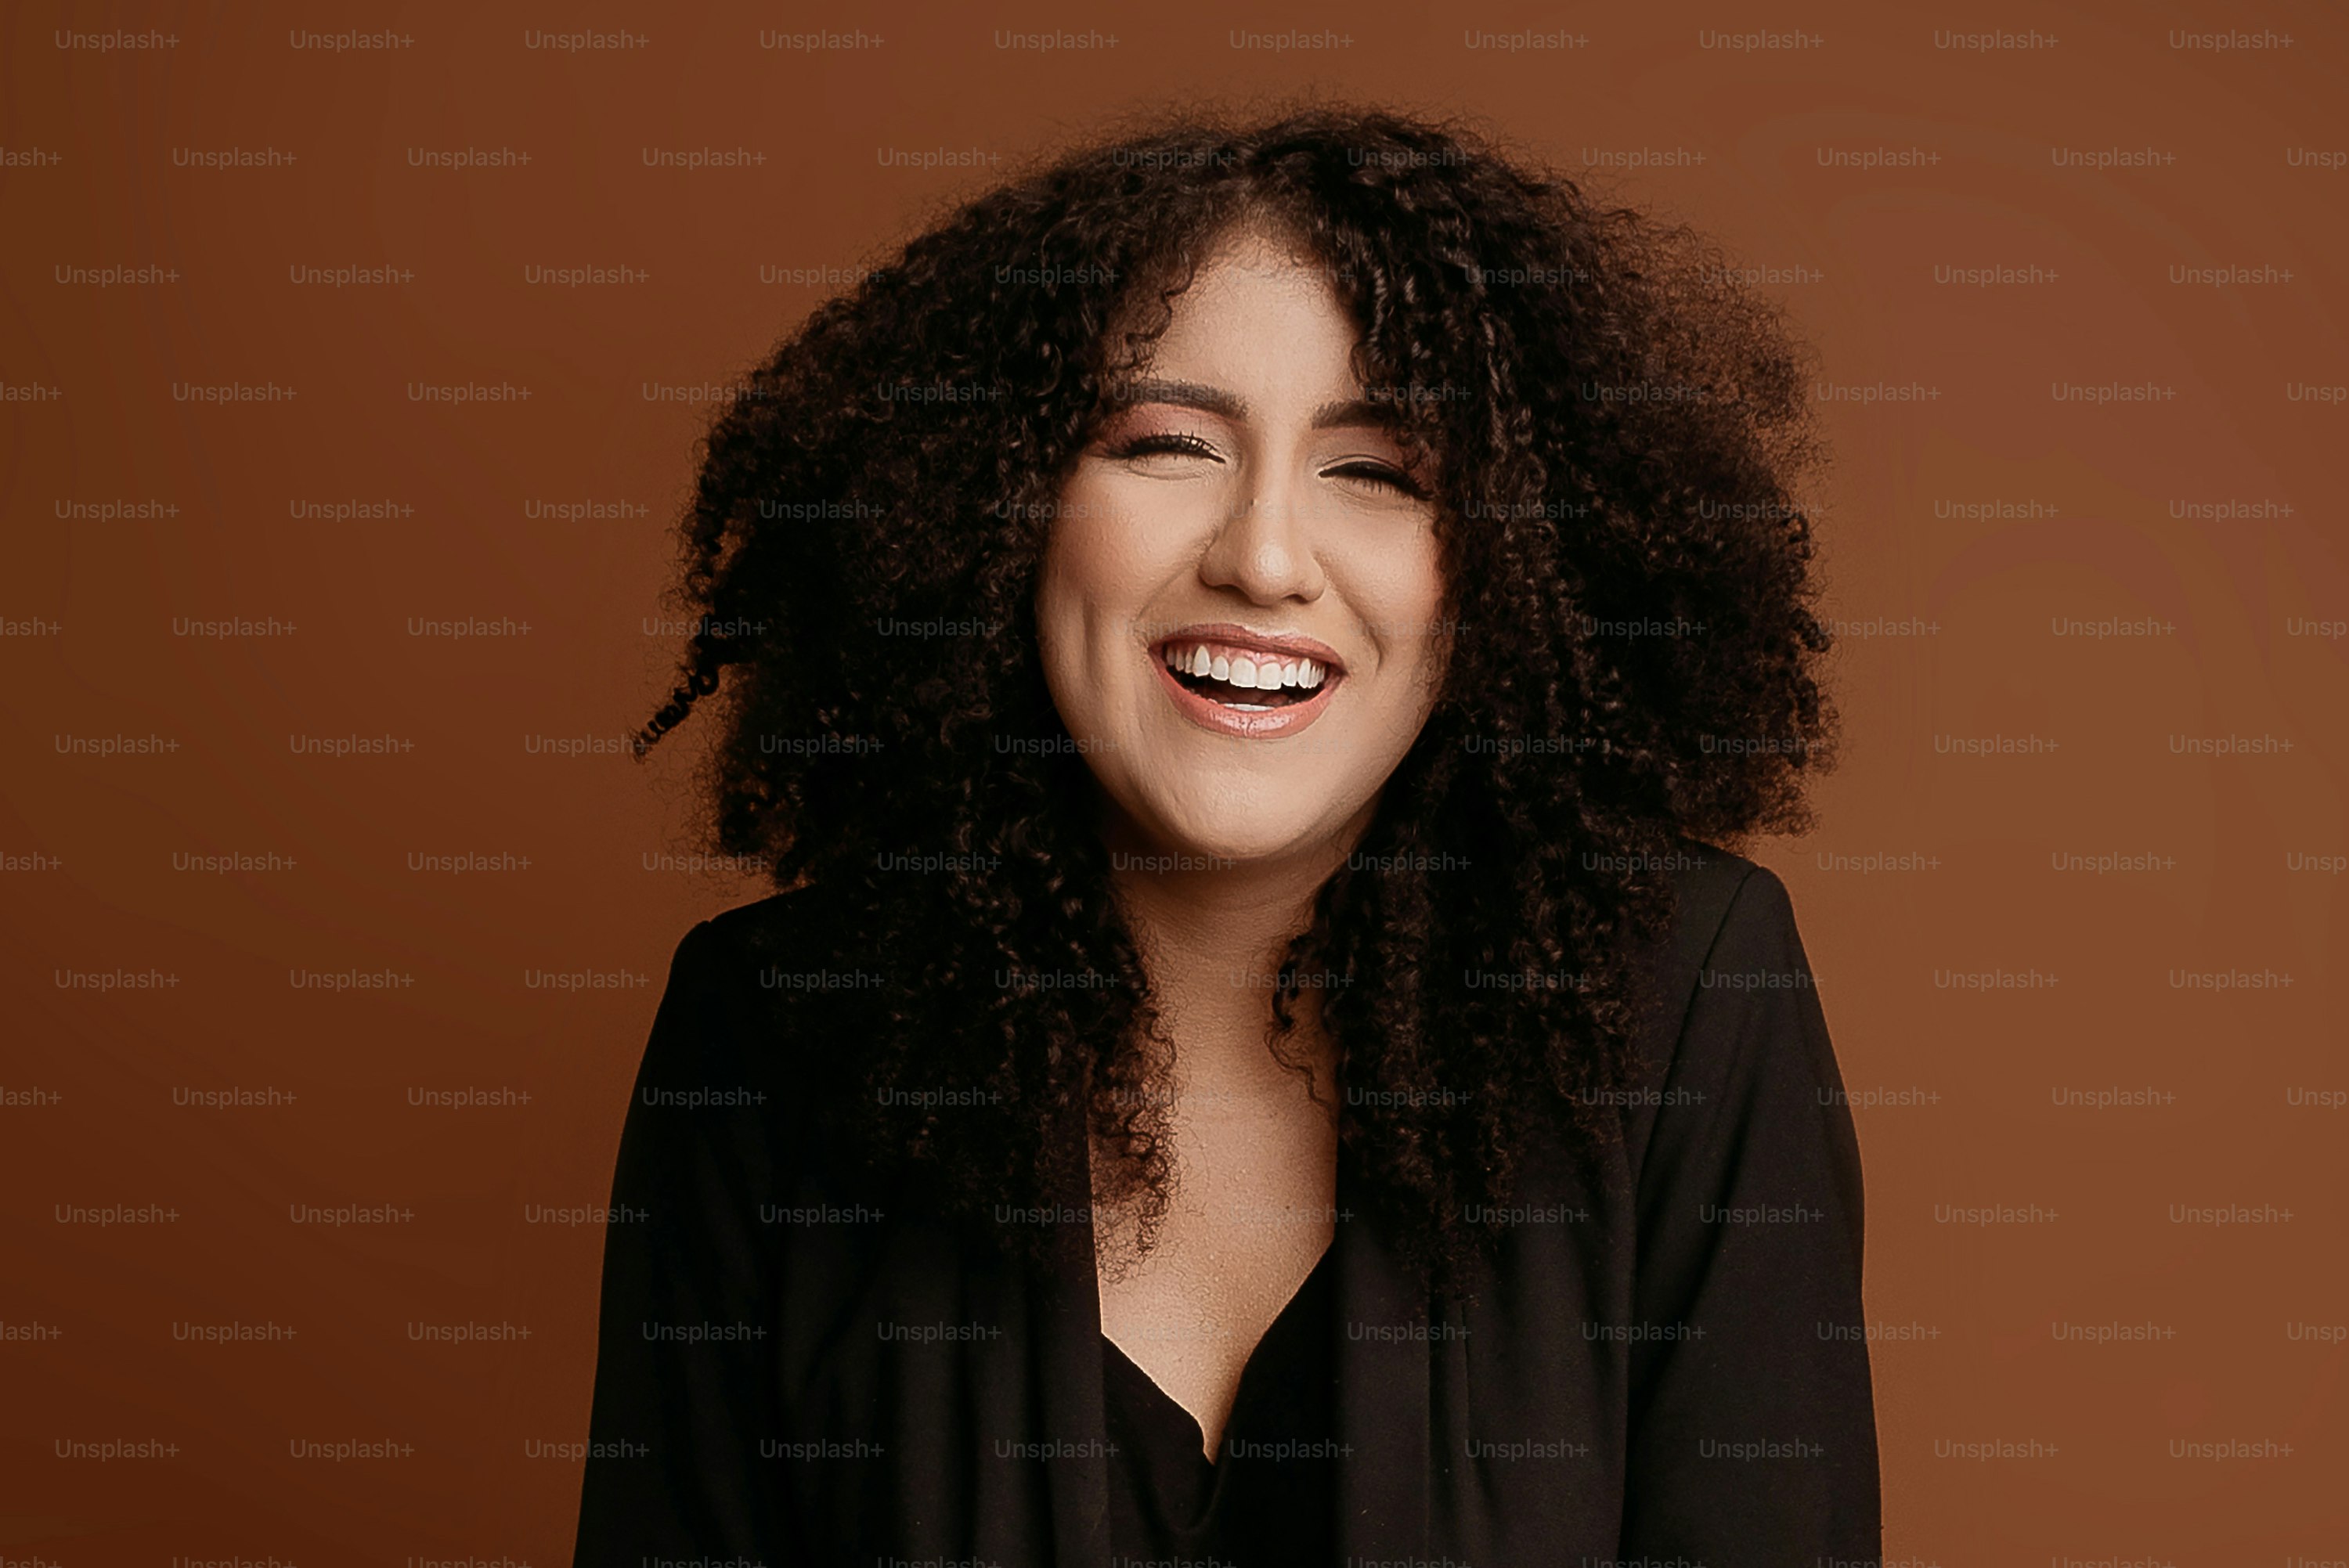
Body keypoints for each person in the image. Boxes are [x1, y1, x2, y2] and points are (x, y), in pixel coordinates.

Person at [574, 105, 1875, 1565]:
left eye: (1381, 471)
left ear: (1509, 566)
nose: (1262, 557)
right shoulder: (769, 1036)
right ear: (999, 510)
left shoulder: (1689, 1003)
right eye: (1167, 443)